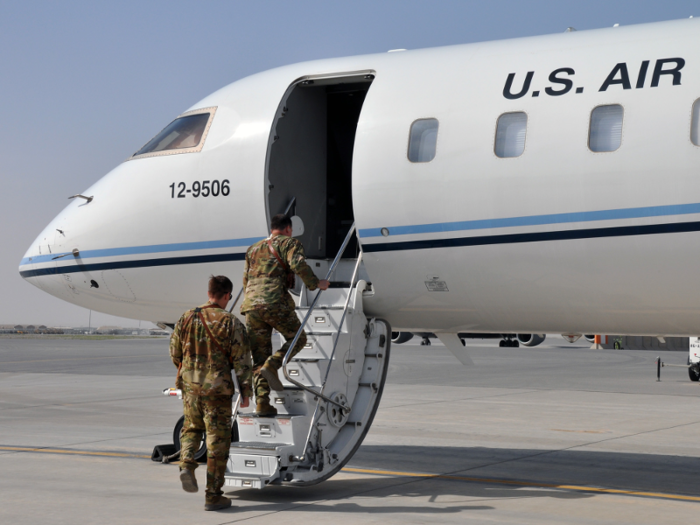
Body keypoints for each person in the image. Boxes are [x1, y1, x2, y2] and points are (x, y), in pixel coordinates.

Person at [169, 275, 252, 512]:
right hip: (217, 391)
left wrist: (189, 373)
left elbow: (174, 353)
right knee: (217, 443)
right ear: (227, 295)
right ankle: (213, 496)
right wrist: (246, 391)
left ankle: (186, 462)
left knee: (191, 428)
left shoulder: (186, 318)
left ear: (209, 293)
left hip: (191, 388)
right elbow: (242, 360)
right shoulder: (231, 322)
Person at [241, 214, 329, 416]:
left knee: (258, 357)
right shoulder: (290, 243)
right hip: (274, 302)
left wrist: (254, 301)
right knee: (298, 338)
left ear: (272, 228)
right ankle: (273, 364)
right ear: (288, 229)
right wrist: (316, 283)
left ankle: (262, 403)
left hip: (252, 306)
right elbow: (297, 264)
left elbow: (245, 280)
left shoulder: (253, 248)